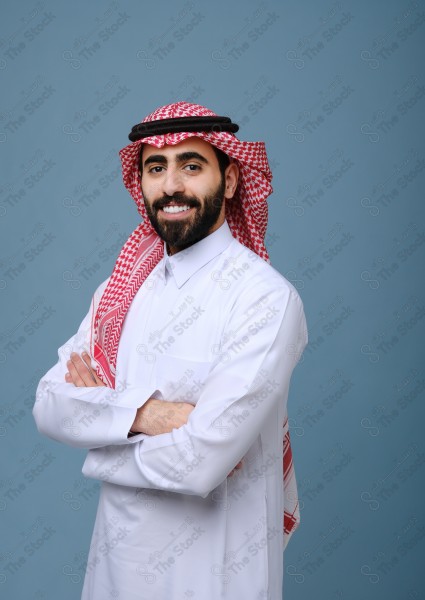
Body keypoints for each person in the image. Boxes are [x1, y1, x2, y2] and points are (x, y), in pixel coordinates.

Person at [33, 101, 308, 599]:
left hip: (216, 576)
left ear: (230, 179)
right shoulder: (122, 290)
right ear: (139, 182)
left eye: (192, 165)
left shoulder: (264, 299)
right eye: (156, 168)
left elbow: (202, 463)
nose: (172, 185)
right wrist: (147, 415)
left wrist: (102, 436)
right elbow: (50, 406)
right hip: (112, 573)